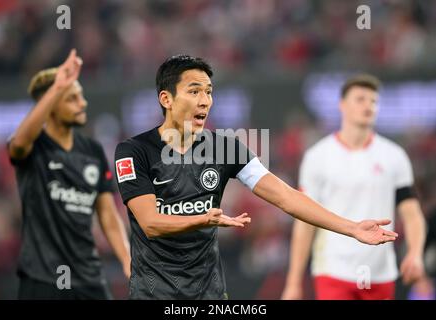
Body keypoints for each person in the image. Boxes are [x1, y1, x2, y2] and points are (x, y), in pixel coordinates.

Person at [114, 56, 398, 300]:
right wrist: (203, 219)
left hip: (210, 294)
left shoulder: (225, 148)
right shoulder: (134, 151)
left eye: (209, 92)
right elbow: (150, 223)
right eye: (194, 91)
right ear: (167, 99)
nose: (205, 101)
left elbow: (286, 197)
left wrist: (351, 228)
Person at [281, 74, 427, 300]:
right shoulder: (318, 157)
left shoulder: (394, 157)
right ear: (342, 105)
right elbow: (304, 222)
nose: (368, 105)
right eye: (360, 99)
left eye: (373, 101)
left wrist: (416, 253)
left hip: (380, 272)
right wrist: (293, 282)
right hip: (334, 269)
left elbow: (412, 213)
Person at [8, 49, 131, 299]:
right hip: (42, 280)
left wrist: (128, 261)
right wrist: (57, 87)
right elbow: (19, 143)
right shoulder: (35, 147)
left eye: (81, 96)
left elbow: (107, 213)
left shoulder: (92, 151)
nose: (83, 103)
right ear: (52, 105)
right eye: (72, 98)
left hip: (89, 279)